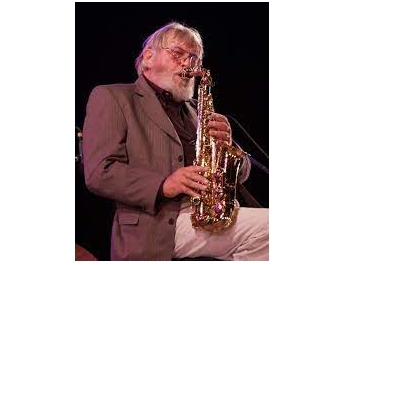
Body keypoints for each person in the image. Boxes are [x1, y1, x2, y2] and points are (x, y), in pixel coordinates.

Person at [81, 22, 269, 261]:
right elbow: (100, 172)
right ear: (148, 57)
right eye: (178, 53)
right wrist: (164, 184)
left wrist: (226, 147)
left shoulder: (197, 110)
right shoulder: (112, 97)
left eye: (194, 58)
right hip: (157, 225)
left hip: (212, 215)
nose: (188, 64)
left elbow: (242, 174)